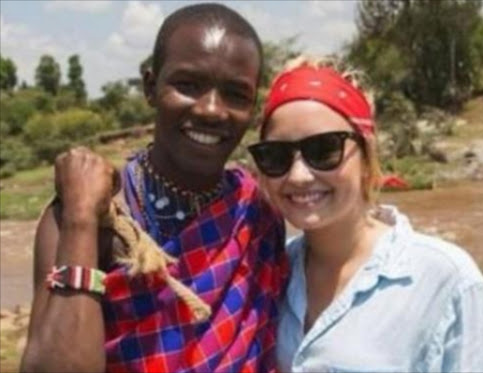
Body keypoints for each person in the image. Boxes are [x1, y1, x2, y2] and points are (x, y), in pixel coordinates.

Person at [20, 4, 288, 373]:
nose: (212, 109)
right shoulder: (92, 213)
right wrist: (81, 221)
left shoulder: (257, 213)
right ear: (150, 87)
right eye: (188, 85)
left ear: (253, 108)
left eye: (235, 94)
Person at [248, 56, 483, 372]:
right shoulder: (271, 272)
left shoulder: (447, 281)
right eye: (276, 156)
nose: (299, 176)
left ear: (367, 155)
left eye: (324, 150)